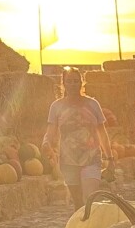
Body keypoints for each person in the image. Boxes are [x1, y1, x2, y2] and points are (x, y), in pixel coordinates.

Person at [42, 68, 109, 208]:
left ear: (81, 83)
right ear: (63, 84)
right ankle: (80, 222)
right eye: (69, 81)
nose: (73, 84)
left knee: (89, 198)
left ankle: (91, 221)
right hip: (68, 161)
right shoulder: (56, 106)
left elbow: (102, 132)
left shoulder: (93, 104)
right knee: (78, 203)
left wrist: (110, 158)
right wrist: (46, 142)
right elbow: (51, 130)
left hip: (91, 158)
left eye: (76, 81)